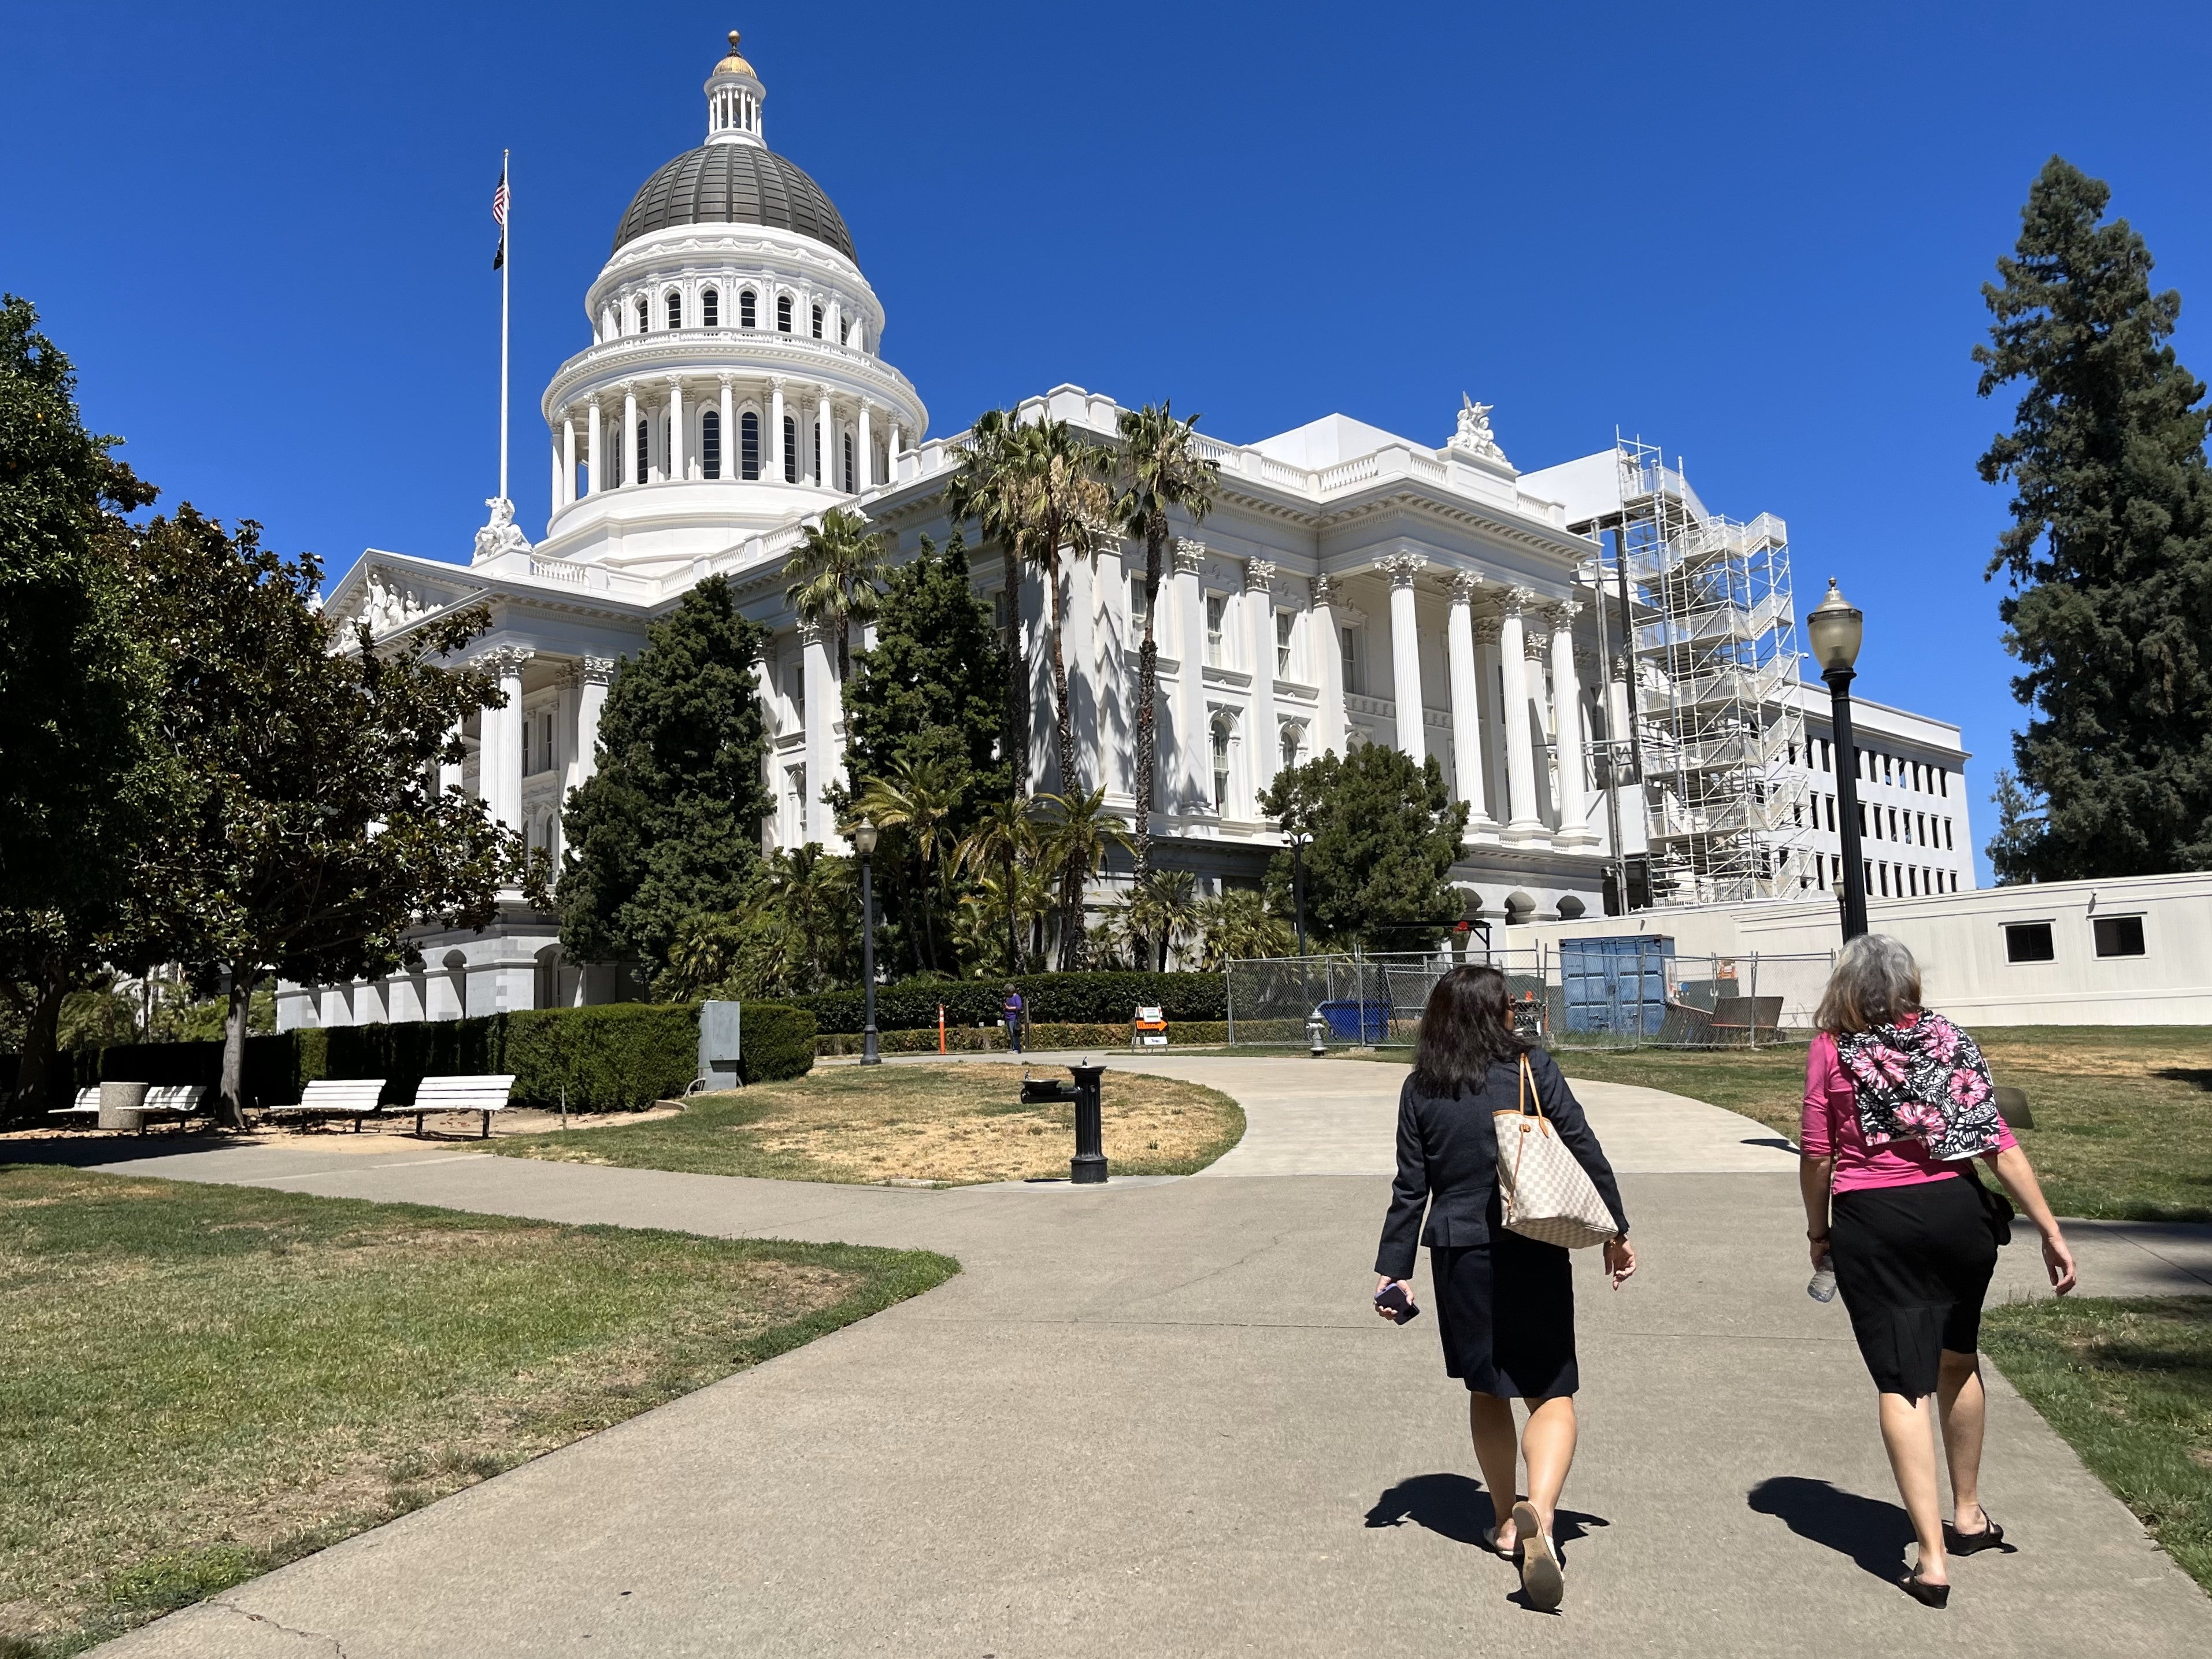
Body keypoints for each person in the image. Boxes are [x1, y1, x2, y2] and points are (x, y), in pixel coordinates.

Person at [1800, 934, 2077, 1608]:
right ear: (1908, 982)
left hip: (1874, 1222)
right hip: (1958, 1214)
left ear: (1843, 985)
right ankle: (1968, 1514)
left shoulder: (1831, 1048)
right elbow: (1995, 1141)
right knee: (1958, 1357)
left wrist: (1817, 1230)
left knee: (1902, 1383)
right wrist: (2049, 1228)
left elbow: (1817, 1154)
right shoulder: (1949, 1038)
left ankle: (1929, 1558)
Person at [1374, 965, 1634, 1611]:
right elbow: (1581, 1145)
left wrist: (1394, 1267)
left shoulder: (1421, 1086)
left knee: (1487, 1387)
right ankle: (1538, 1511)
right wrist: (1615, 1229)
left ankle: (1504, 1521)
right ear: (1496, 1014)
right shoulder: (1528, 1068)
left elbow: (1410, 1186)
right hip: (1533, 1243)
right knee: (1550, 1388)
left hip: (1458, 1252)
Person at [1002, 984, 1025, 1054]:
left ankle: (1017, 1049)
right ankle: (1014, 1048)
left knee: (1014, 1033)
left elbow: (1018, 1007)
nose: (1007, 994)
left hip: (1014, 1017)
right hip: (1008, 1017)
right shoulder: (1008, 998)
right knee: (1011, 1034)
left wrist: (1009, 1008)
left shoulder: (1016, 997)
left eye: (1007, 992)